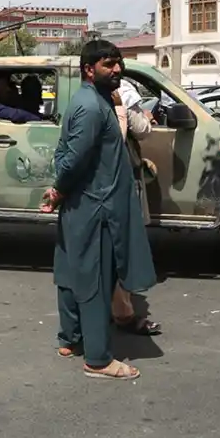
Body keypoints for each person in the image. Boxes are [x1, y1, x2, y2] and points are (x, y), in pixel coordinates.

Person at [40, 39, 156, 380]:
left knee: (71, 270)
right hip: (95, 206)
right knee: (95, 279)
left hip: (88, 202)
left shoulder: (98, 100)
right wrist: (59, 189)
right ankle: (98, 359)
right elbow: (74, 159)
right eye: (109, 64)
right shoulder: (91, 107)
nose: (117, 69)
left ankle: (70, 339)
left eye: (118, 62)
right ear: (89, 69)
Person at [110, 86, 161, 335]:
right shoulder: (120, 95)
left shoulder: (89, 97)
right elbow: (139, 130)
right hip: (118, 180)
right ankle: (123, 313)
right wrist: (137, 115)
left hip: (116, 176)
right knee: (121, 247)